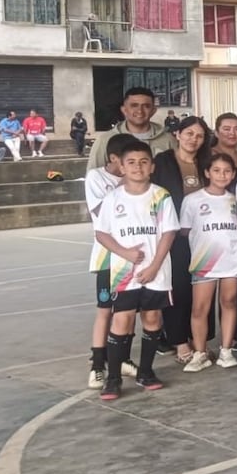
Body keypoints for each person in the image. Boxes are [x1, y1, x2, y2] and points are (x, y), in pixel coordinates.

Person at [93, 139, 180, 400]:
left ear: (151, 166)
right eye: (131, 162)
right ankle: (113, 378)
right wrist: (126, 253)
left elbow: (169, 233)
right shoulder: (112, 198)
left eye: (143, 162)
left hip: (156, 271)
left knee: (152, 320)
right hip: (124, 273)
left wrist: (154, 265)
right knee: (122, 320)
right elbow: (102, 234)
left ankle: (146, 371)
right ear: (121, 166)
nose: (137, 167)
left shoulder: (160, 196)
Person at [177, 152, 237, 372]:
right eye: (216, 170)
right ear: (207, 173)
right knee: (200, 308)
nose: (222, 175)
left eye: (227, 171)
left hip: (233, 260)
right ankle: (200, 353)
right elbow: (185, 230)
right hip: (204, 261)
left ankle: (226, 351)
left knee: (229, 302)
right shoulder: (192, 200)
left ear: (233, 174)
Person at [152, 115, 211, 363]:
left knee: (200, 290)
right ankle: (178, 341)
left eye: (199, 136)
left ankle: (197, 340)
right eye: (189, 134)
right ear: (177, 134)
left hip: (204, 235)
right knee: (177, 287)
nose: (193, 140)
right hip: (174, 235)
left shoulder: (207, 161)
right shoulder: (163, 162)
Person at [83, 133, 140, 388]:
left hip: (135, 256)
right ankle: (97, 365)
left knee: (127, 311)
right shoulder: (97, 177)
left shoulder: (139, 182)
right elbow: (99, 212)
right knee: (105, 310)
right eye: (128, 161)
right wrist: (125, 184)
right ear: (115, 158)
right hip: (108, 256)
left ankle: (124, 359)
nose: (134, 166)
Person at [87, 86, 174, 171]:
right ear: (124, 110)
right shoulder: (105, 140)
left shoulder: (168, 140)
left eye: (146, 106)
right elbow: (93, 177)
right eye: (134, 105)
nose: (140, 111)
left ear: (153, 111)